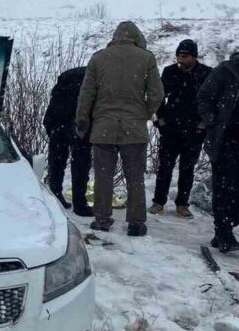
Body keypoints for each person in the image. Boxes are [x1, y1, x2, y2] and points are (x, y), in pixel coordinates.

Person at [76, 21, 164, 237]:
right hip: (134, 128)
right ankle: (136, 222)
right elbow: (157, 95)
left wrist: (82, 119)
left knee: (103, 175)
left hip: (103, 126)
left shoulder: (99, 58)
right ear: (137, 38)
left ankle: (103, 219)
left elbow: (87, 93)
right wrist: (143, 113)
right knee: (135, 176)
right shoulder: (146, 58)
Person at [149, 40, 212, 218]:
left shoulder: (206, 73)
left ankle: (182, 204)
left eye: (185, 56)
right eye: (178, 55)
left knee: (187, 168)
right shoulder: (170, 72)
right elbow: (159, 96)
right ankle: (158, 201)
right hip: (171, 128)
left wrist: (204, 122)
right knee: (165, 167)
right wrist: (160, 118)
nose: (180, 60)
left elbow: (211, 100)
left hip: (195, 130)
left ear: (194, 56)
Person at [197, 50, 239, 253]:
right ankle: (223, 232)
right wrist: (213, 121)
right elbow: (203, 96)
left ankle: (225, 228)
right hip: (226, 140)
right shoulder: (225, 71)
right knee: (224, 187)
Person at [42, 67, 94, 216]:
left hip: (58, 123)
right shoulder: (92, 78)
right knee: (81, 164)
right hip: (79, 125)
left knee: (57, 161)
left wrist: (50, 125)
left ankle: (55, 194)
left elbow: (53, 103)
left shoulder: (66, 78)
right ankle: (79, 203)